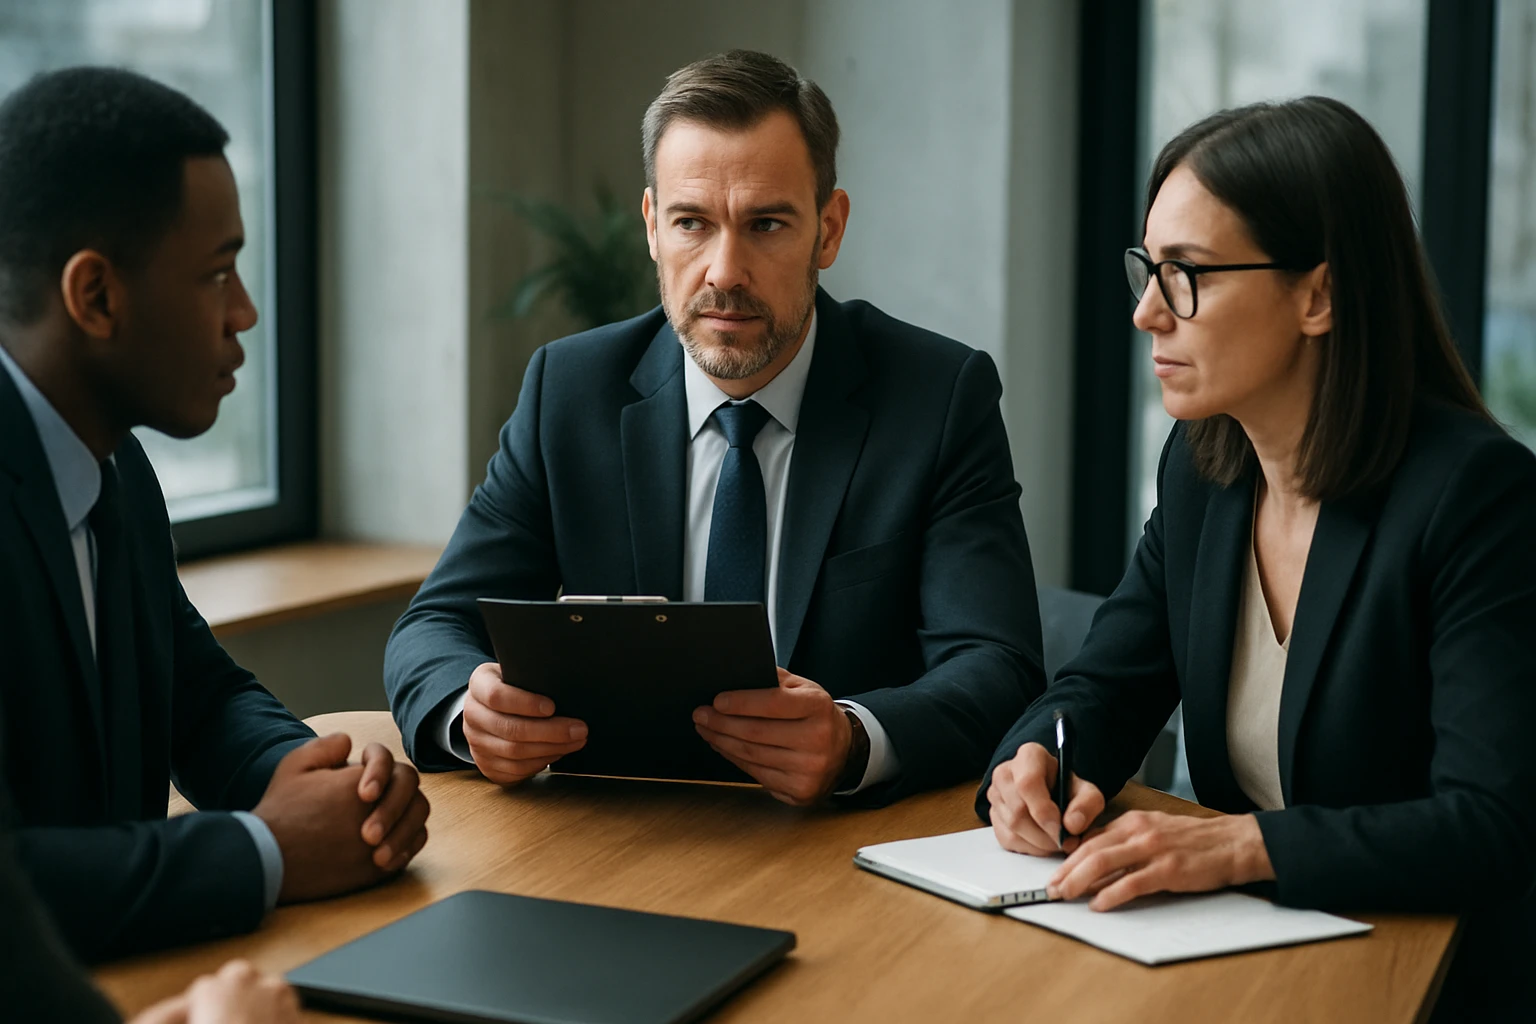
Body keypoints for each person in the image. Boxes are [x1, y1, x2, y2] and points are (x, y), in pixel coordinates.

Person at [981, 96, 1536, 1017]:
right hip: (1241, 959)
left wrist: (1239, 847)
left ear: (1318, 295)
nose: (1148, 314)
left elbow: (1490, 827)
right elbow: (1105, 688)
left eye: (1188, 274)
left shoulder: (1478, 498)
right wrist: (1036, 761)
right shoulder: (1207, 473)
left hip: (1423, 985)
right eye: (1148, 270)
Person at [385, 50, 1043, 807]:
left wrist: (854, 738)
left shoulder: (936, 398)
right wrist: (472, 716)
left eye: (766, 224)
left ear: (828, 231)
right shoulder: (569, 392)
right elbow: (433, 625)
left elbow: (997, 663)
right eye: (692, 223)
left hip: (838, 852)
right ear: (652, 229)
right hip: (617, 836)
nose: (725, 271)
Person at [0, 67, 430, 963]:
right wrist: (266, 851)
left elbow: (194, 690)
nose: (245, 313)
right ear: (96, 297)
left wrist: (305, 774)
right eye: (216, 273)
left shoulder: (110, 458)